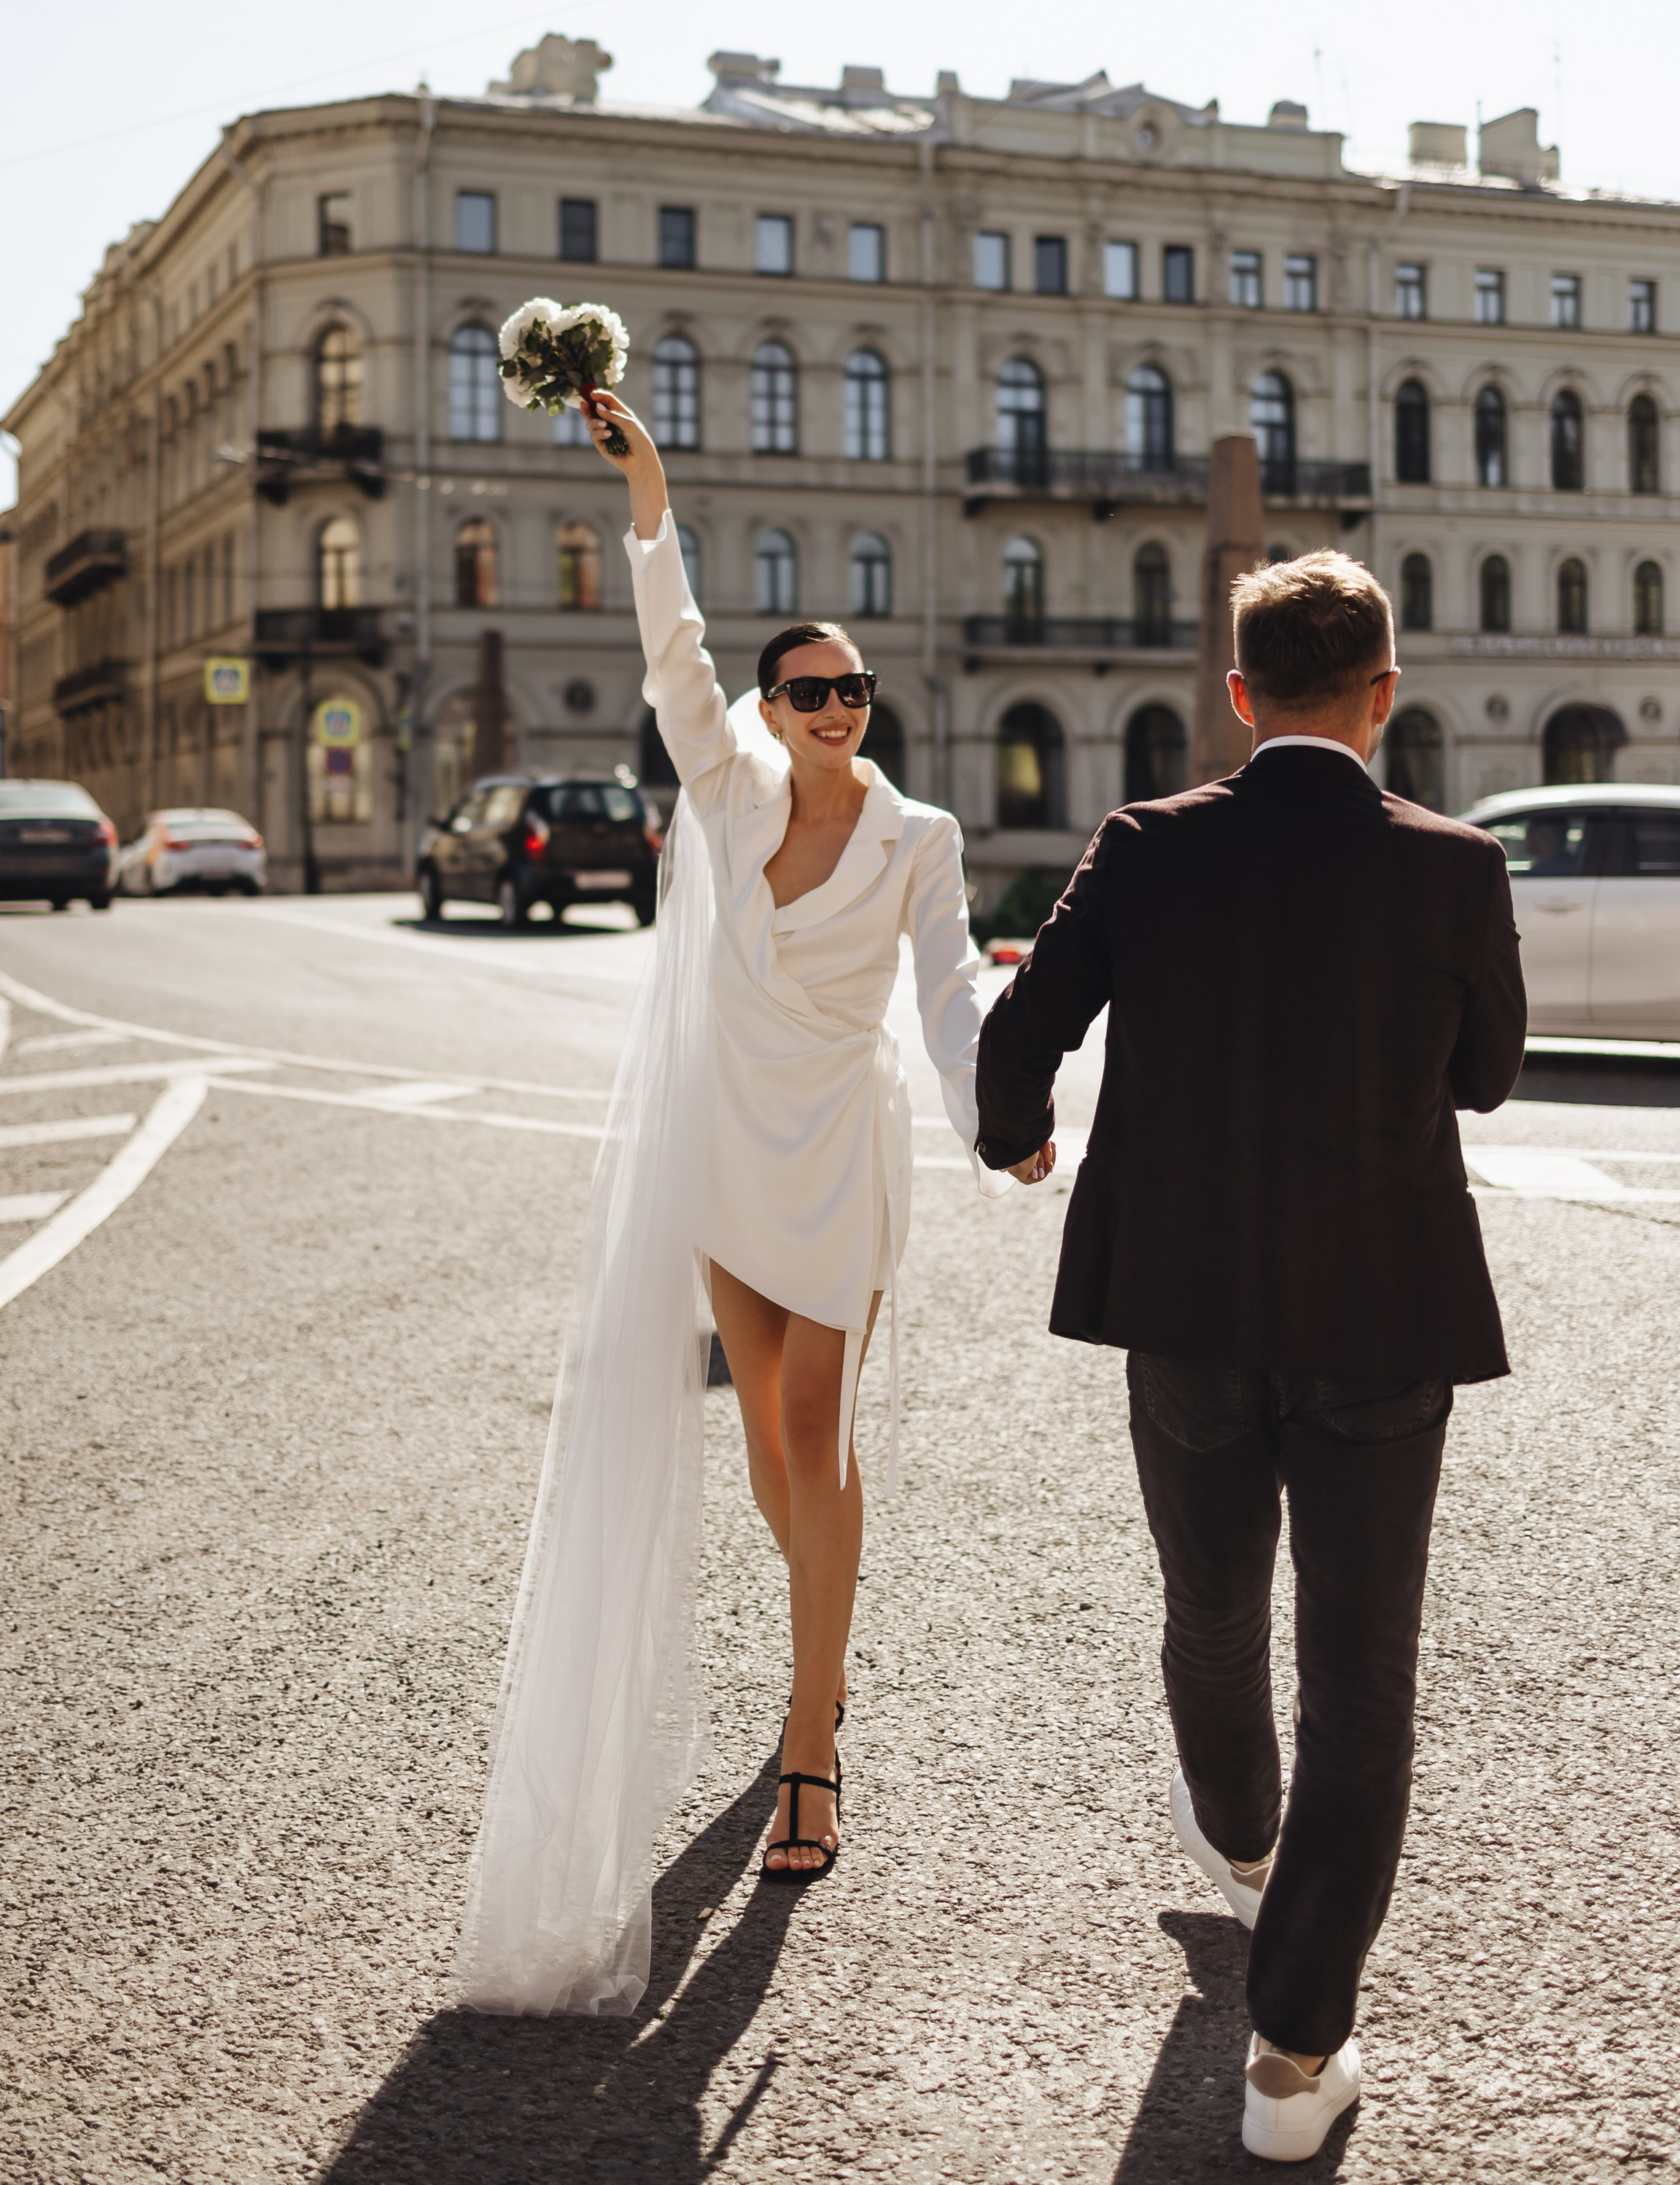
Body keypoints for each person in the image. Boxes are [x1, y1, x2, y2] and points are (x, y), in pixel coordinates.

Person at [454, 383, 1046, 2013]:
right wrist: (649, 502)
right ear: (773, 707)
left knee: (814, 1433)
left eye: (853, 688)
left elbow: (946, 991)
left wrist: (994, 1115)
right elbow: (669, 662)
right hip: (723, 1148)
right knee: (766, 1434)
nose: (836, 707)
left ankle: (808, 1740)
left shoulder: (920, 835)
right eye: (809, 690)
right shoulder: (720, 792)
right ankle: (823, 1639)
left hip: (840, 1152)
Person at [974, 550, 1525, 2164]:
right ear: (1382, 693)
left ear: (1233, 695)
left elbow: (1022, 1033)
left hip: (1186, 1303)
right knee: (1360, 1681)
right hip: (1378, 1310)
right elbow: (1486, 1077)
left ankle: (1233, 1842)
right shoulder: (1452, 864)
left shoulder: (1145, 844)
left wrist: (1019, 1139)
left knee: (1207, 1607)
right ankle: (1291, 2057)